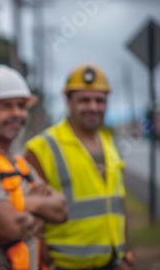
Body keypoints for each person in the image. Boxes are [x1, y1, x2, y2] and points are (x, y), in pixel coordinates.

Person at [25, 63, 134, 270]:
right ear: (68, 102)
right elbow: (30, 214)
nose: (93, 107)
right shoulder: (41, 147)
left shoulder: (109, 144)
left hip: (113, 263)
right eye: (84, 100)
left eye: (99, 100)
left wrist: (125, 253)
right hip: (64, 265)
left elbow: (119, 204)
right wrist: (46, 260)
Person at [0, 64, 68, 270]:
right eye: (6, 106)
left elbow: (62, 210)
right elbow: (10, 227)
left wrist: (21, 206)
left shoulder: (18, 162)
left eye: (21, 106)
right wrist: (38, 205)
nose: (17, 113)